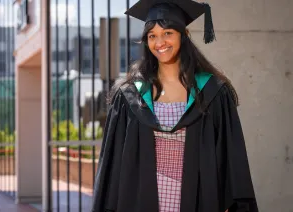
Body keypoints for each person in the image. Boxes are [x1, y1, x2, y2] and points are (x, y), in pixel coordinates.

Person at [91, 0, 259, 212]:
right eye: (152, 35)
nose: (159, 42)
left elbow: (230, 159)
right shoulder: (129, 95)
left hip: (196, 198)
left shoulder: (212, 92)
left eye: (168, 33)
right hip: (140, 199)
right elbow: (112, 164)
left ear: (184, 35)